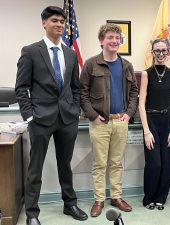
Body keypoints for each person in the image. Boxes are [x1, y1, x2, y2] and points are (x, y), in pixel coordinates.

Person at [15, 6, 88, 225]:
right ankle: (32, 214)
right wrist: (29, 116)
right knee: (34, 168)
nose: (59, 25)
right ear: (44, 23)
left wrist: (74, 110)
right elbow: (21, 88)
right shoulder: (30, 51)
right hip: (40, 119)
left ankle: (70, 204)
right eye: (54, 21)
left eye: (62, 22)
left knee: (65, 165)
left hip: (67, 118)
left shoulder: (70, 54)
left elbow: (76, 87)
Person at [80, 23, 138, 217]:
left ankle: (116, 196)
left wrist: (129, 114)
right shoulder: (91, 64)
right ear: (101, 41)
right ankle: (99, 200)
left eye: (117, 38)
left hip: (120, 121)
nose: (114, 41)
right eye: (110, 37)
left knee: (116, 162)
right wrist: (93, 115)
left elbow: (134, 93)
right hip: (100, 123)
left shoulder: (126, 65)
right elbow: (82, 93)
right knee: (99, 163)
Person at [139, 38, 170, 210]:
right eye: (157, 51)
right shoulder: (146, 73)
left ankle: (161, 197)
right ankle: (149, 198)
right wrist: (146, 131)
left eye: (163, 51)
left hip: (167, 120)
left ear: (168, 52)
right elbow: (141, 104)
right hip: (151, 121)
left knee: (166, 162)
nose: (161, 54)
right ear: (152, 53)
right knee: (154, 162)